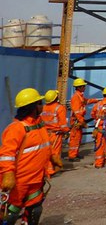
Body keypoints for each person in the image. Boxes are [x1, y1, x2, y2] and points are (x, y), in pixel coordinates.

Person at [0, 88, 61, 225]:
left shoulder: (40, 125)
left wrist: (53, 157)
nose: (42, 106)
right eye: (40, 103)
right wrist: (8, 174)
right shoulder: (17, 128)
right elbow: (6, 154)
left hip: (37, 179)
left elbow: (46, 145)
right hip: (19, 181)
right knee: (10, 213)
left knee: (35, 210)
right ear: (33, 107)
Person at [67, 78, 98, 162]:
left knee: (78, 138)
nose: (85, 87)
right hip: (76, 121)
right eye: (83, 86)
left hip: (78, 121)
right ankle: (72, 156)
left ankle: (75, 153)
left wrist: (96, 100)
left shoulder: (79, 96)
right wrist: (82, 122)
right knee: (75, 139)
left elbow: (86, 101)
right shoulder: (76, 97)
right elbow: (77, 112)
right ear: (79, 87)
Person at [40, 90, 68, 176]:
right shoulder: (59, 108)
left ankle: (45, 170)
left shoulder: (43, 107)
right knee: (54, 152)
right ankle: (51, 170)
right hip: (55, 134)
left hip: (44, 133)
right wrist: (66, 131)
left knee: (46, 151)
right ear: (56, 98)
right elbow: (63, 124)